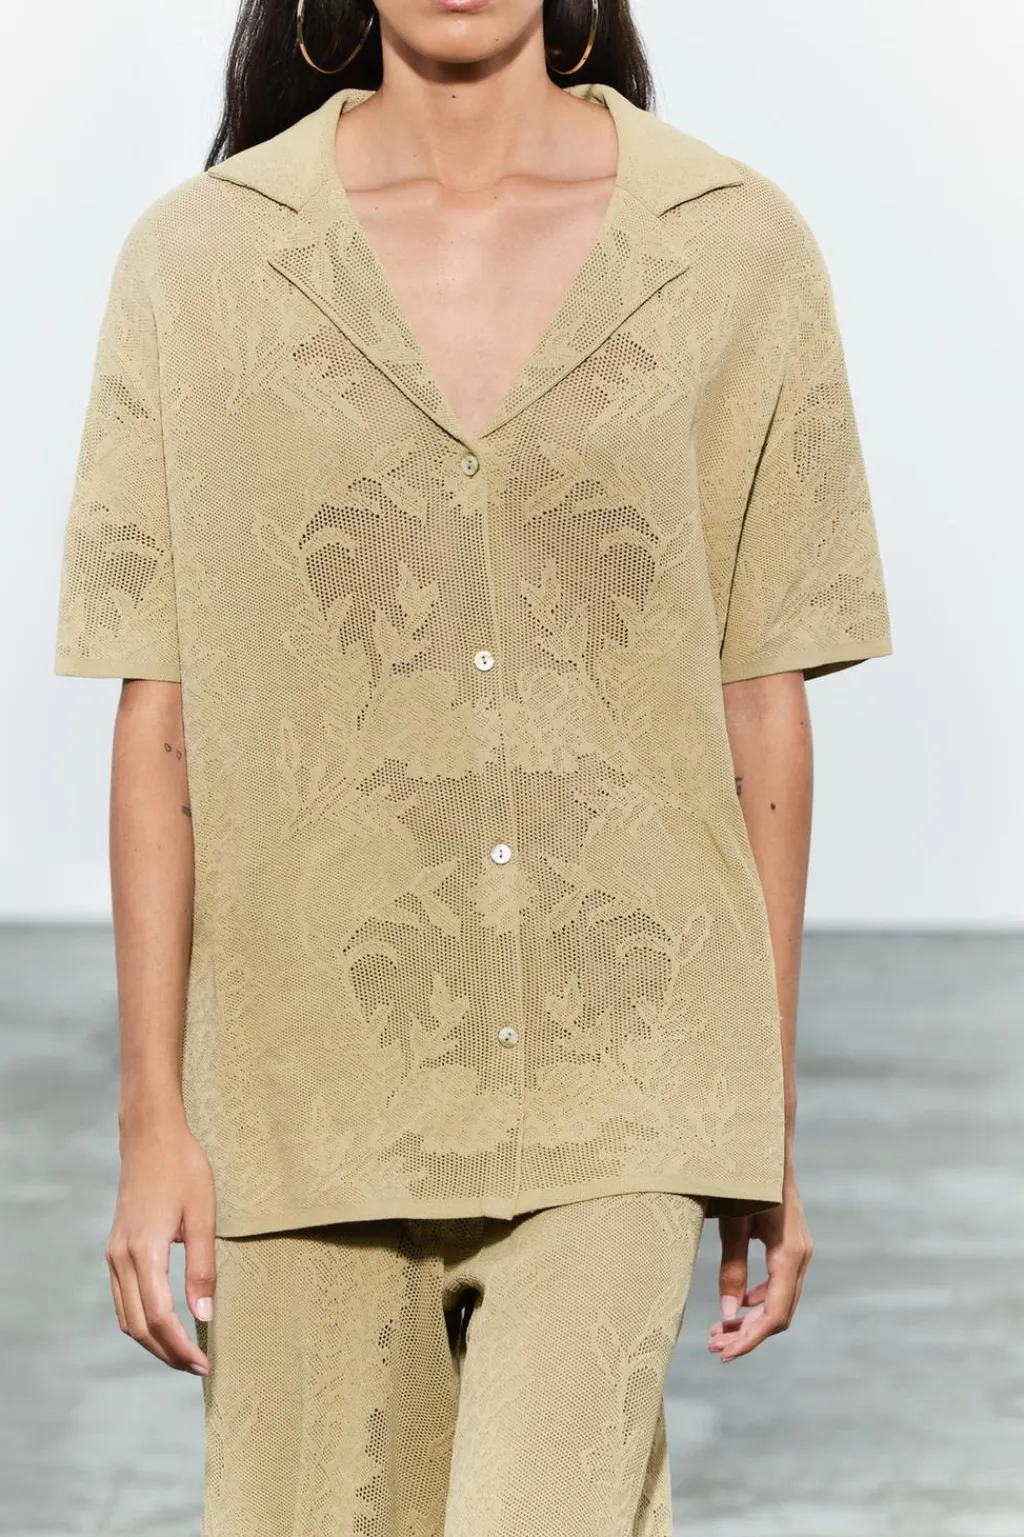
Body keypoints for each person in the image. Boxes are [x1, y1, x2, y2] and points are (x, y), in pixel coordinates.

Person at [52, 1, 894, 1532]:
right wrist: (153, 1120)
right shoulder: (202, 261)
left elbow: (762, 697)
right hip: (304, 1086)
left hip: (628, 1065)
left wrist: (758, 1120)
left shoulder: (731, 245)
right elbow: (161, 714)